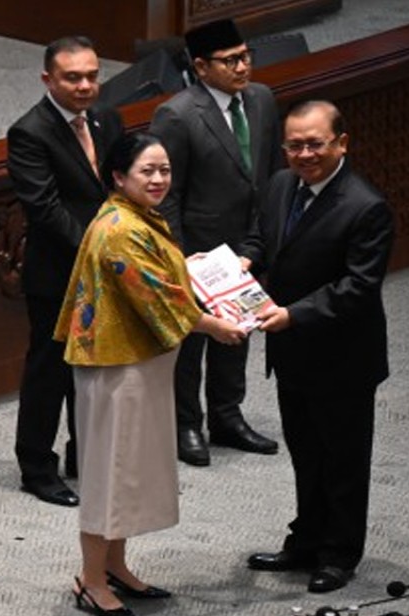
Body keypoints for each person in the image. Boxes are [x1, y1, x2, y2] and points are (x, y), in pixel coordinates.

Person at [55, 134, 245, 616]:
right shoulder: (119, 228)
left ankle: (115, 565)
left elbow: (163, 273)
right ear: (119, 177)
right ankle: (91, 580)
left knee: (129, 473)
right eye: (147, 171)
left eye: (164, 169)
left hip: (140, 363)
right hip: (117, 369)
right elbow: (157, 297)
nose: (159, 179)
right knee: (109, 474)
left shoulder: (136, 216)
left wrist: (198, 267)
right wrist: (214, 323)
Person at [241, 101, 392, 594]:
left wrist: (294, 315)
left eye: (315, 144)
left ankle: (338, 553)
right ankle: (305, 541)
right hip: (292, 354)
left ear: (341, 143)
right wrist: (247, 260)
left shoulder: (366, 206)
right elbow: (265, 237)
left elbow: (357, 287)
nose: (304, 154)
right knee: (306, 453)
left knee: (343, 460)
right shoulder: (283, 184)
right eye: (294, 145)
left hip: (343, 358)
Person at [149, 18, 281, 466]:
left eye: (246, 56)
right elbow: (167, 194)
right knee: (192, 342)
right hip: (198, 249)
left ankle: (227, 415)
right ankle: (186, 422)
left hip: (247, 242)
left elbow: (265, 174)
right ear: (201, 67)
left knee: (238, 333)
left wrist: (259, 241)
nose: (243, 67)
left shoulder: (261, 99)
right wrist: (181, 257)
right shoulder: (178, 114)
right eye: (231, 61)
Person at [7, 36, 125, 508]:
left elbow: (121, 182)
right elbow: (45, 209)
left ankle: (86, 455)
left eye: (92, 75)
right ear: (47, 80)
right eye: (73, 77)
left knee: (95, 367)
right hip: (59, 271)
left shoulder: (107, 118)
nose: (85, 85)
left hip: (105, 269)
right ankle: (36, 466)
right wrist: (101, 251)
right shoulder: (30, 132)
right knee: (50, 371)